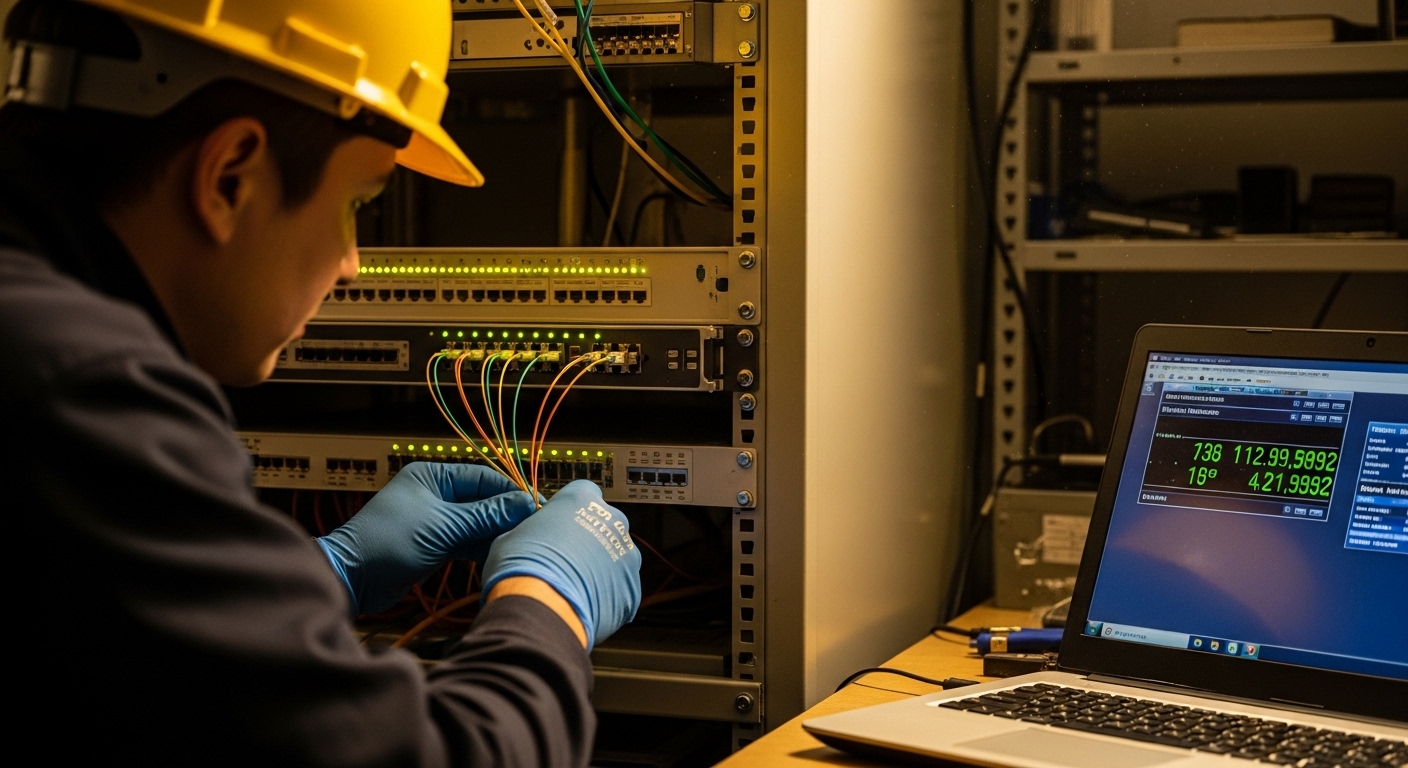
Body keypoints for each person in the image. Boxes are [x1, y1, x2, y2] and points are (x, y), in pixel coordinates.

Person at [0, 0, 641, 764]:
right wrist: (549, 600)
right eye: (358, 204)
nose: (351, 264)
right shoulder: (84, 393)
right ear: (230, 176)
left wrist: (322, 569)